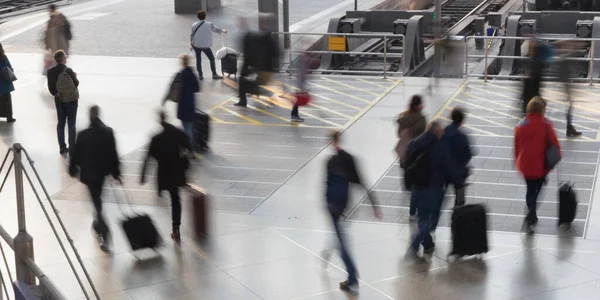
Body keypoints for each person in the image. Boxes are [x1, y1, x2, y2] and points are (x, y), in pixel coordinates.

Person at [324, 130, 382, 293]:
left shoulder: (330, 162)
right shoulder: (349, 158)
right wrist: (375, 206)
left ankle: (352, 277)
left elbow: (327, 186)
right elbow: (362, 182)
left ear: (330, 142)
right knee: (339, 234)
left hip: (333, 206)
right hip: (343, 205)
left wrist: (327, 202)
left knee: (342, 242)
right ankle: (332, 251)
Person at [404, 121, 463, 257]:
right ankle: (414, 245)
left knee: (422, 218)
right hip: (433, 188)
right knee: (427, 221)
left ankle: (428, 244)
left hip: (417, 187)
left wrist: (408, 184)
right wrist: (458, 183)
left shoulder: (413, 143)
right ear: (436, 132)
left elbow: (407, 165)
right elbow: (449, 168)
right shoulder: (440, 147)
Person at [69, 105, 121, 251]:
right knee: (97, 199)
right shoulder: (108, 132)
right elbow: (113, 154)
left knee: (96, 202)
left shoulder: (83, 134)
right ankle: (98, 225)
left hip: (88, 174)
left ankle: (105, 232)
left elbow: (76, 155)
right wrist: (116, 173)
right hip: (101, 173)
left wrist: (72, 169)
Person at [140, 111, 192, 242]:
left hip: (163, 173)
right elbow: (189, 146)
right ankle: (176, 228)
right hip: (176, 172)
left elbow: (148, 158)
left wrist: (143, 176)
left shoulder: (156, 138)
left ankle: (167, 228)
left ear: (159, 120)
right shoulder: (177, 133)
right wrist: (186, 158)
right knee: (176, 199)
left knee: (164, 198)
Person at [514, 97, 561, 234]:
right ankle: (530, 216)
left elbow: (516, 146)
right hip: (541, 165)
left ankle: (532, 215)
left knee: (530, 190)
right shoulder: (546, 125)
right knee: (537, 192)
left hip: (525, 165)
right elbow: (555, 145)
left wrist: (518, 161)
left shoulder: (521, 124)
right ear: (542, 109)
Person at [235, 13, 280, 107]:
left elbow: (251, 52)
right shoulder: (265, 35)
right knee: (252, 81)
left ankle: (250, 95)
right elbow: (275, 52)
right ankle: (252, 93)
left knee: (248, 81)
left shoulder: (260, 35)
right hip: (261, 65)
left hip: (259, 65)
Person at [395, 95, 427, 221]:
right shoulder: (421, 119)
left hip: (405, 153)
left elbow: (398, 134)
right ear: (418, 106)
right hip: (417, 154)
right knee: (418, 185)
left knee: (409, 179)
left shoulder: (403, 117)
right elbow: (423, 136)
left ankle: (407, 185)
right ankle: (417, 210)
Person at [163, 54, 200, 146]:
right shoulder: (192, 74)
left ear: (181, 62)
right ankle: (190, 146)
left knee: (185, 127)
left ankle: (188, 147)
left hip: (182, 104)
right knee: (190, 126)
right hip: (191, 103)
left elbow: (171, 88)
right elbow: (197, 89)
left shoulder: (180, 75)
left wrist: (165, 100)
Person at [47, 50, 79, 155]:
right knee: (71, 124)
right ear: (63, 58)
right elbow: (76, 84)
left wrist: (57, 93)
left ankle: (62, 147)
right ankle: (72, 147)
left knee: (61, 124)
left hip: (59, 100)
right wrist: (75, 76)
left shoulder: (50, 71)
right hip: (71, 100)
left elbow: (51, 89)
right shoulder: (68, 70)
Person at [441, 107, 473, 207]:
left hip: (443, 170)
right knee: (460, 200)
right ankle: (457, 217)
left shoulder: (443, 132)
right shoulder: (462, 136)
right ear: (462, 120)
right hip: (458, 172)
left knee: (439, 197)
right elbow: (468, 154)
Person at [190, 10, 226, 80]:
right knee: (211, 58)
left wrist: (191, 45)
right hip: (205, 46)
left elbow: (191, 35)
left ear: (198, 17)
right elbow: (216, 29)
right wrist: (223, 31)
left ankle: (200, 75)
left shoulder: (194, 25)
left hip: (196, 45)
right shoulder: (209, 24)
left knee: (198, 60)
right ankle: (214, 74)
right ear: (205, 16)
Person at [556, 41, 582, 137]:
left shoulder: (562, 57)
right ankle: (569, 127)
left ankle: (569, 127)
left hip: (566, 84)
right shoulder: (563, 57)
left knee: (570, 105)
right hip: (566, 84)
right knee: (570, 105)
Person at [0, 43, 16, 123]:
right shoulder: (4, 58)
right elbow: (9, 67)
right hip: (5, 83)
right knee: (7, 101)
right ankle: (9, 117)